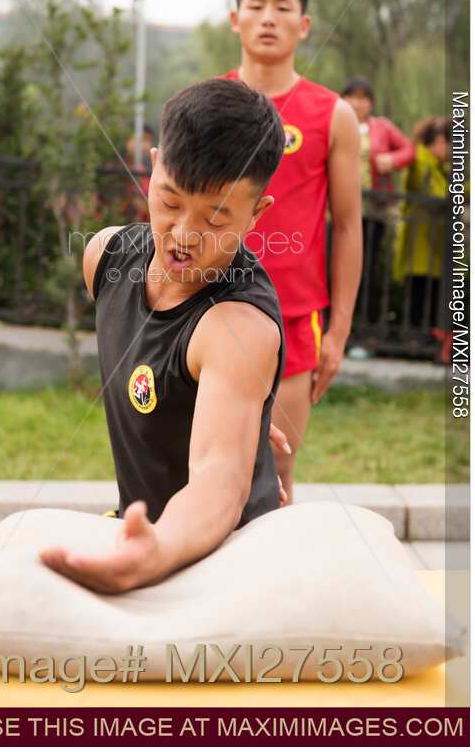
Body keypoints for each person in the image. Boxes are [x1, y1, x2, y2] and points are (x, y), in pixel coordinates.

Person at [40, 78, 292, 594]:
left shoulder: (237, 326)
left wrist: (239, 405)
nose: (183, 237)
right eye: (170, 201)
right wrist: (231, 408)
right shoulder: (105, 258)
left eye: (216, 218)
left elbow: (218, 479)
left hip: (230, 563)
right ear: (152, 166)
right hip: (142, 539)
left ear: (257, 214)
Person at [222, 0, 362, 503]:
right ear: (236, 19)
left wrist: (340, 331)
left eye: (283, 8)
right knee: (206, 462)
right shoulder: (210, 103)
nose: (268, 19)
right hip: (213, 306)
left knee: (278, 471)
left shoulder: (333, 115)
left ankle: (276, 585)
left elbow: (349, 227)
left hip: (295, 317)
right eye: (256, 6)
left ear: (304, 25)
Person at [341, 77, 415, 338]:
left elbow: (409, 150)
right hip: (336, 211)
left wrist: (392, 160)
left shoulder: (381, 127)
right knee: (333, 268)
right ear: (343, 99)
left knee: (367, 269)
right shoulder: (334, 123)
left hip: (373, 212)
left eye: (364, 98)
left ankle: (365, 332)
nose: (358, 103)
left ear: (371, 103)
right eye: (353, 96)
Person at [394, 116, 451, 355]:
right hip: (420, 246)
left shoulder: (439, 166)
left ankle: (428, 342)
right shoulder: (420, 161)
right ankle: (415, 344)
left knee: (432, 294)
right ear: (439, 141)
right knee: (419, 295)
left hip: (433, 246)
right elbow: (439, 195)